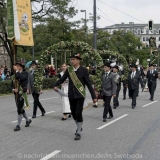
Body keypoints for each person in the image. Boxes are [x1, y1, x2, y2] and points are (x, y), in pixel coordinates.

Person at [53, 53, 97, 141]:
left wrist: (93, 96)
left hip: (80, 95)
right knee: (73, 112)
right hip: (71, 95)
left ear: (78, 60)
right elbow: (62, 79)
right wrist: (55, 84)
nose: (72, 61)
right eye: (71, 59)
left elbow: (88, 83)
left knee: (78, 113)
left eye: (74, 59)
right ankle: (79, 126)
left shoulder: (83, 70)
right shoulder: (69, 70)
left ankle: (78, 132)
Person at [12, 62, 32, 131]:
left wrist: (17, 71)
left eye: (17, 66)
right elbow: (12, 85)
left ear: (21, 67)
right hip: (16, 94)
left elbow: (21, 77)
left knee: (19, 110)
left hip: (22, 93)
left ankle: (18, 125)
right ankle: (28, 119)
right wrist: (13, 89)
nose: (16, 67)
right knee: (20, 108)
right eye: (15, 66)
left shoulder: (25, 73)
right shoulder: (15, 75)